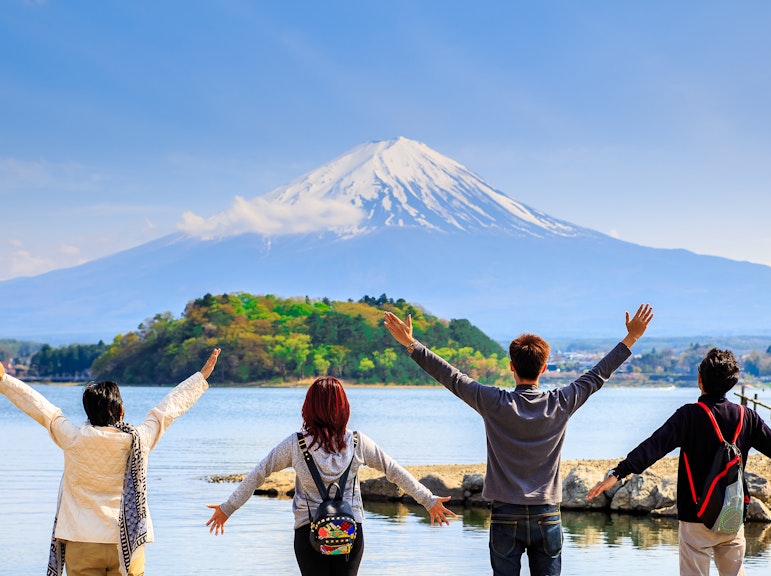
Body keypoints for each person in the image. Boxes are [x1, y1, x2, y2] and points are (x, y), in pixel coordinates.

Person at [383, 304, 653, 576]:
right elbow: (598, 375)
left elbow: (450, 376)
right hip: (546, 515)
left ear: (511, 366)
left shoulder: (493, 402)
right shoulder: (561, 402)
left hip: (504, 515)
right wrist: (631, 338)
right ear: (545, 367)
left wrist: (410, 343)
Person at [0, 347, 220, 576]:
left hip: (81, 540)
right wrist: (201, 377)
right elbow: (166, 410)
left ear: (88, 412)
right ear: (121, 410)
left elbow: (45, 411)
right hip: (127, 543)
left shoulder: (73, 438)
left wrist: (5, 381)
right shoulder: (139, 441)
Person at [205, 375, 455, 576]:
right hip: (350, 530)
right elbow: (395, 472)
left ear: (309, 407)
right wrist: (428, 500)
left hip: (308, 532)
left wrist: (229, 508)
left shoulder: (296, 444)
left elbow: (260, 472)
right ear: (343, 407)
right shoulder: (358, 442)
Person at [587, 347, 771, 576]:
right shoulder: (748, 417)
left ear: (699, 379)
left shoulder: (689, 416)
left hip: (695, 517)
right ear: (732, 383)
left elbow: (653, 447)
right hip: (732, 515)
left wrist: (618, 473)